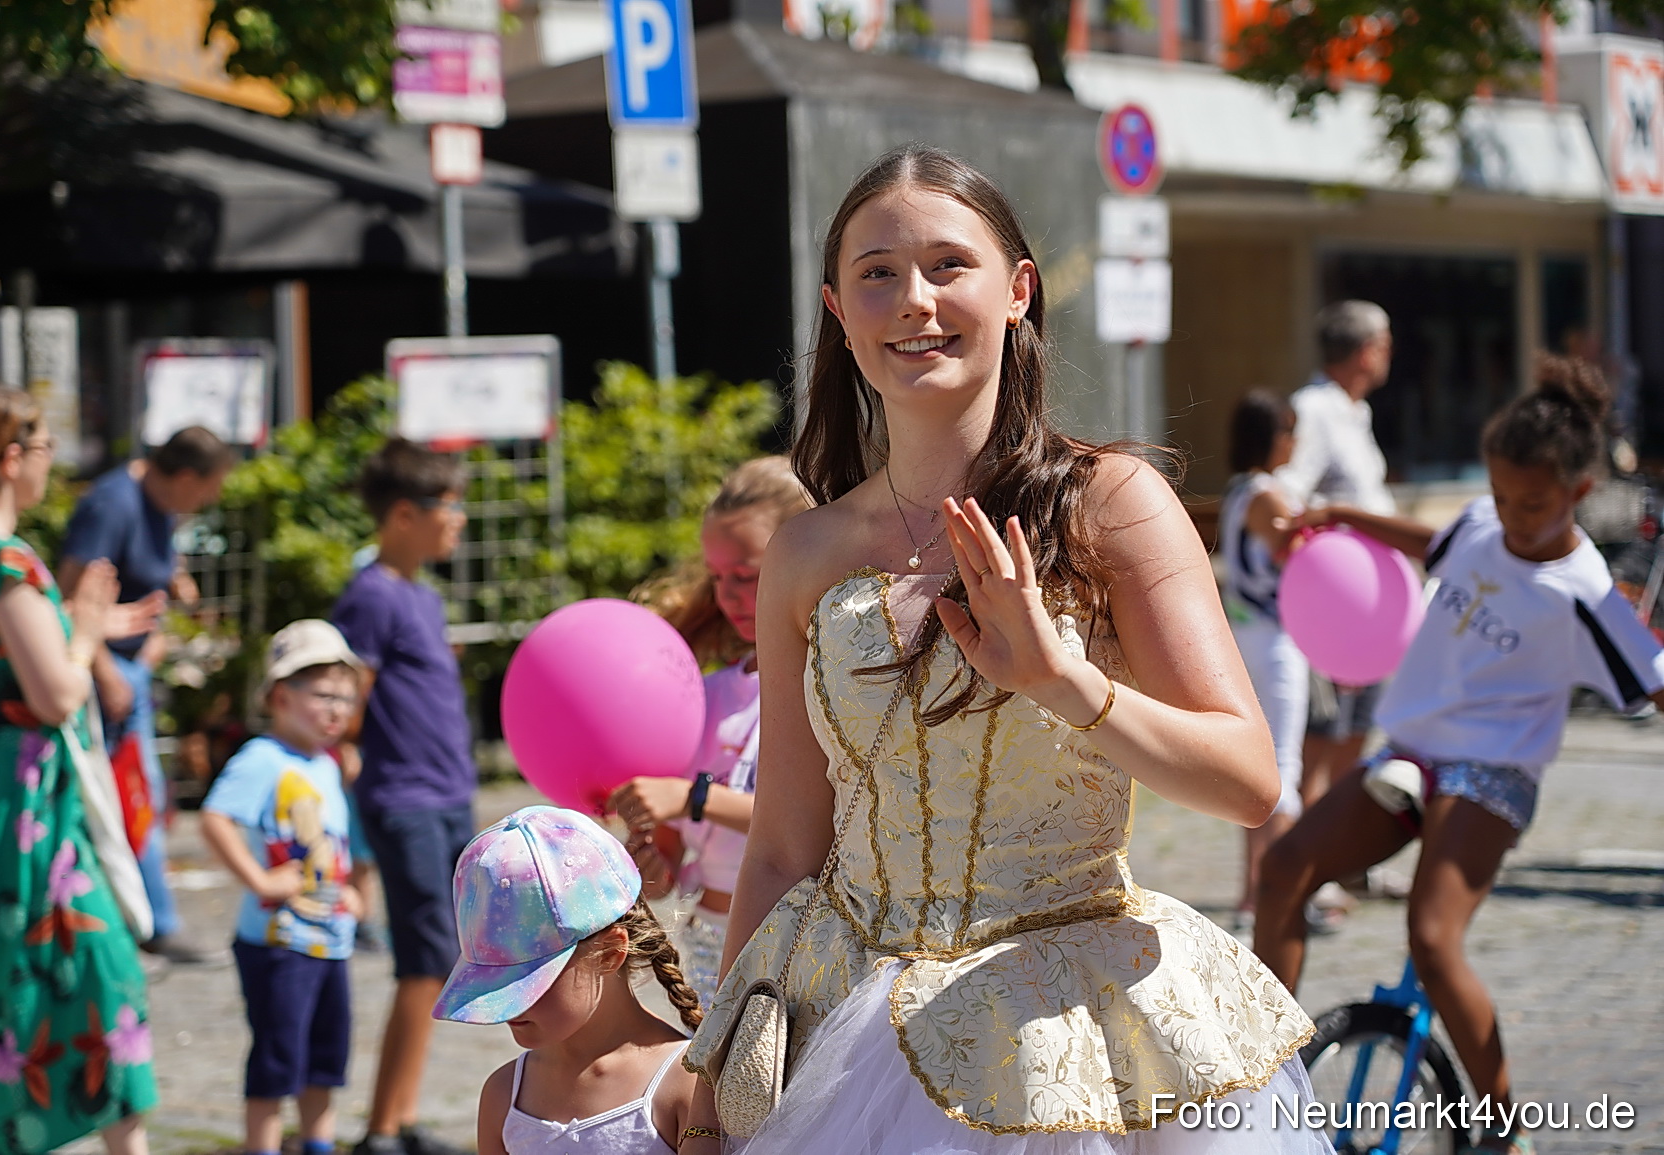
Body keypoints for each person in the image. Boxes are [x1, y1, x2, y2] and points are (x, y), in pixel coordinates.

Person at [677, 147, 1329, 1155]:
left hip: (1071, 1029)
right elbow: (780, 848)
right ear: (837, 312)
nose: (913, 302)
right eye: (877, 273)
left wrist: (1067, 683)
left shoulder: (1109, 501)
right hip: (850, 1032)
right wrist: (718, 1056)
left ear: (1017, 289)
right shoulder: (805, 551)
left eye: (948, 265)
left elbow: (1248, 780)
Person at [1255, 356, 1664, 1155]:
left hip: (1493, 774)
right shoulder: (1483, 523)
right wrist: (1341, 515)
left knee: (1433, 941)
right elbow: (1433, 540)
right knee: (1283, 869)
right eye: (1502, 495)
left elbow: (1654, 681)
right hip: (1411, 753)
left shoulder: (1584, 590)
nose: (1512, 516)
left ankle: (1507, 1134)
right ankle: (1266, 1075)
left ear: (1579, 493)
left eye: (1533, 504)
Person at [0, 383, 157, 1155]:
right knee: (101, 970)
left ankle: (9, 1130)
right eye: (48, 451)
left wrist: (82, 622)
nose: (50, 469)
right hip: (22, 799)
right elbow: (57, 693)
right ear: (12, 456)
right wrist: (87, 630)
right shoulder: (1, 556)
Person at [609, 456, 812, 1008]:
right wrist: (655, 862)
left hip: (799, 942)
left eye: (744, 576)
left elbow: (823, 825)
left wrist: (695, 798)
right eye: (717, 577)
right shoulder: (706, 694)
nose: (727, 596)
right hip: (705, 944)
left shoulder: (831, 686)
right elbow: (670, 863)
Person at [331, 438, 473, 1155]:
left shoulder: (420, 591)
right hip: (406, 798)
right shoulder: (371, 594)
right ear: (402, 515)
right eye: (450, 506)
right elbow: (343, 699)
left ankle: (403, 1115)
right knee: (420, 962)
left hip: (446, 791)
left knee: (439, 959)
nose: (460, 519)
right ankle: (382, 1128)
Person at [60, 425, 235, 964]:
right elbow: (71, 595)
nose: (207, 502)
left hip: (130, 668)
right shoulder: (112, 504)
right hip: (98, 673)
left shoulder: (158, 503)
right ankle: (150, 924)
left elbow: (144, 576)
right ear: (184, 476)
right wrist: (107, 668)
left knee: (140, 797)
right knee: (129, 799)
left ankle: (140, 918)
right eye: (207, 490)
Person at [433, 806, 702, 1155]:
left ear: (608, 954)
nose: (506, 1006)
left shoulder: (685, 1084)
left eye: (528, 980)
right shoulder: (504, 1095)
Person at [201, 620, 365, 1155]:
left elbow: (332, 848)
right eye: (323, 694)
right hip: (277, 944)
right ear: (279, 695)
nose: (338, 708)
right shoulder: (261, 759)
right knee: (276, 1063)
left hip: (329, 941)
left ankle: (318, 1144)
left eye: (346, 696)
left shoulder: (327, 763)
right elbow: (216, 819)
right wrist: (258, 879)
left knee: (326, 1060)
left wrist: (349, 891)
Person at [1275, 300, 1396, 813]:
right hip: (1336, 607)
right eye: (1386, 344)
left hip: (1374, 605)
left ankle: (1338, 857)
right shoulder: (1314, 409)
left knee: (1361, 726)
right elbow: (1284, 496)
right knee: (1323, 736)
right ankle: (1309, 864)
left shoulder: (1355, 410)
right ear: (1368, 352)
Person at [1219, 391, 1307, 938]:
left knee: (1258, 771)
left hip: (1245, 635)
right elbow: (1303, 558)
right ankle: (1283, 890)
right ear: (1274, 439)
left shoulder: (1236, 492)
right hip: (1274, 640)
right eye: (1290, 432)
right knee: (1283, 769)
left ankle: (1253, 892)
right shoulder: (1268, 496)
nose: (1296, 443)